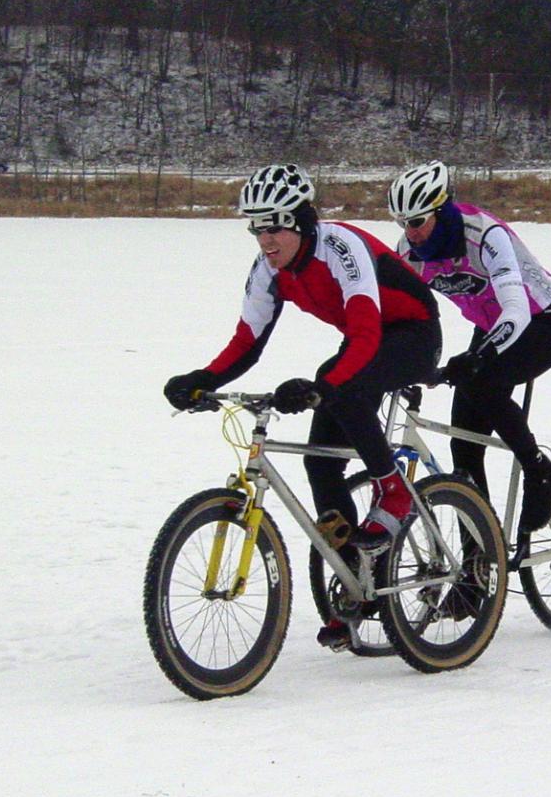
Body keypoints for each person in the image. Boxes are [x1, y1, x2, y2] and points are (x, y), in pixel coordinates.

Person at [164, 163, 441, 650]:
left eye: (274, 227)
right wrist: (202, 379)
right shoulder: (268, 271)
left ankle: (393, 490)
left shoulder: (341, 248)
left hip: (411, 335)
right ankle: (357, 586)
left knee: (345, 388)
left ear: (300, 222)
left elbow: (366, 333)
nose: (265, 241)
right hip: (364, 340)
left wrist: (322, 386)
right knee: (319, 461)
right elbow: (248, 340)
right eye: (256, 229)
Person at [388, 160, 551, 546]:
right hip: (489, 328)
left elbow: (516, 310)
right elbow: (394, 313)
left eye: (417, 221)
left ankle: (540, 472)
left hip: (539, 324)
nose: (411, 233)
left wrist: (479, 357)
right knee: (464, 449)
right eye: (403, 223)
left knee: (483, 384)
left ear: (441, 208)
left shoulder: (485, 235)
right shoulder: (409, 252)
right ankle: (478, 566)